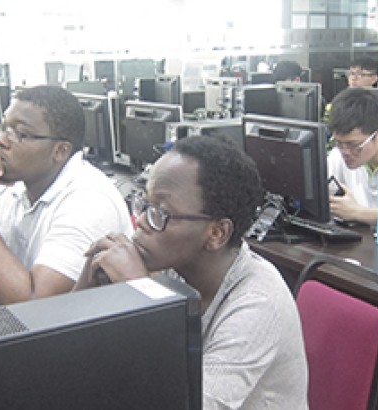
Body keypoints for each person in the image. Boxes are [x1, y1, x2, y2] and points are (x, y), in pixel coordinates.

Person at [74, 136, 308, 410]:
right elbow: (79, 358)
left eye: (161, 211)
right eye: (143, 203)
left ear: (216, 233)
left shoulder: (259, 303)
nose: (141, 222)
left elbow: (186, 404)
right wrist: (86, 284)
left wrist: (139, 290)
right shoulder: (176, 267)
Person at [0, 85, 133, 304]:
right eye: (3, 128)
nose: (1, 141)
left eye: (20, 134)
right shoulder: (11, 184)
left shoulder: (89, 200)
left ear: (60, 151)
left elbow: (34, 305)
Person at [328, 87, 378, 226]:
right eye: (339, 143)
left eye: (354, 145)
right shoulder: (338, 154)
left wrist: (357, 213)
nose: (345, 152)